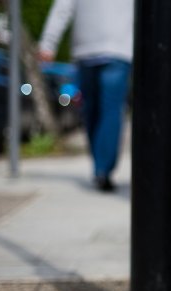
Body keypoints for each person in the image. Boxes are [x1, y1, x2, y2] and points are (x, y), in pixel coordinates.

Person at [38, 0, 134, 192]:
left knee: (96, 111)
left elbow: (62, 8)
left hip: (97, 50)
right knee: (107, 112)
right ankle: (103, 169)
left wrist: (48, 43)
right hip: (110, 50)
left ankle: (101, 168)